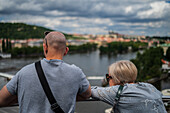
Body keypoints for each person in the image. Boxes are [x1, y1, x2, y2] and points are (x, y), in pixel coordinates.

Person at [0, 31, 91, 113]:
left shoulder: (24, 72)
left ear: (45, 47)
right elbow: (87, 95)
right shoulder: (76, 73)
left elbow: (1, 100)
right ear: (66, 51)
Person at [91, 60, 167, 113]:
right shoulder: (149, 87)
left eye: (108, 77)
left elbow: (88, 90)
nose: (107, 79)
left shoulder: (117, 91)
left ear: (115, 79)